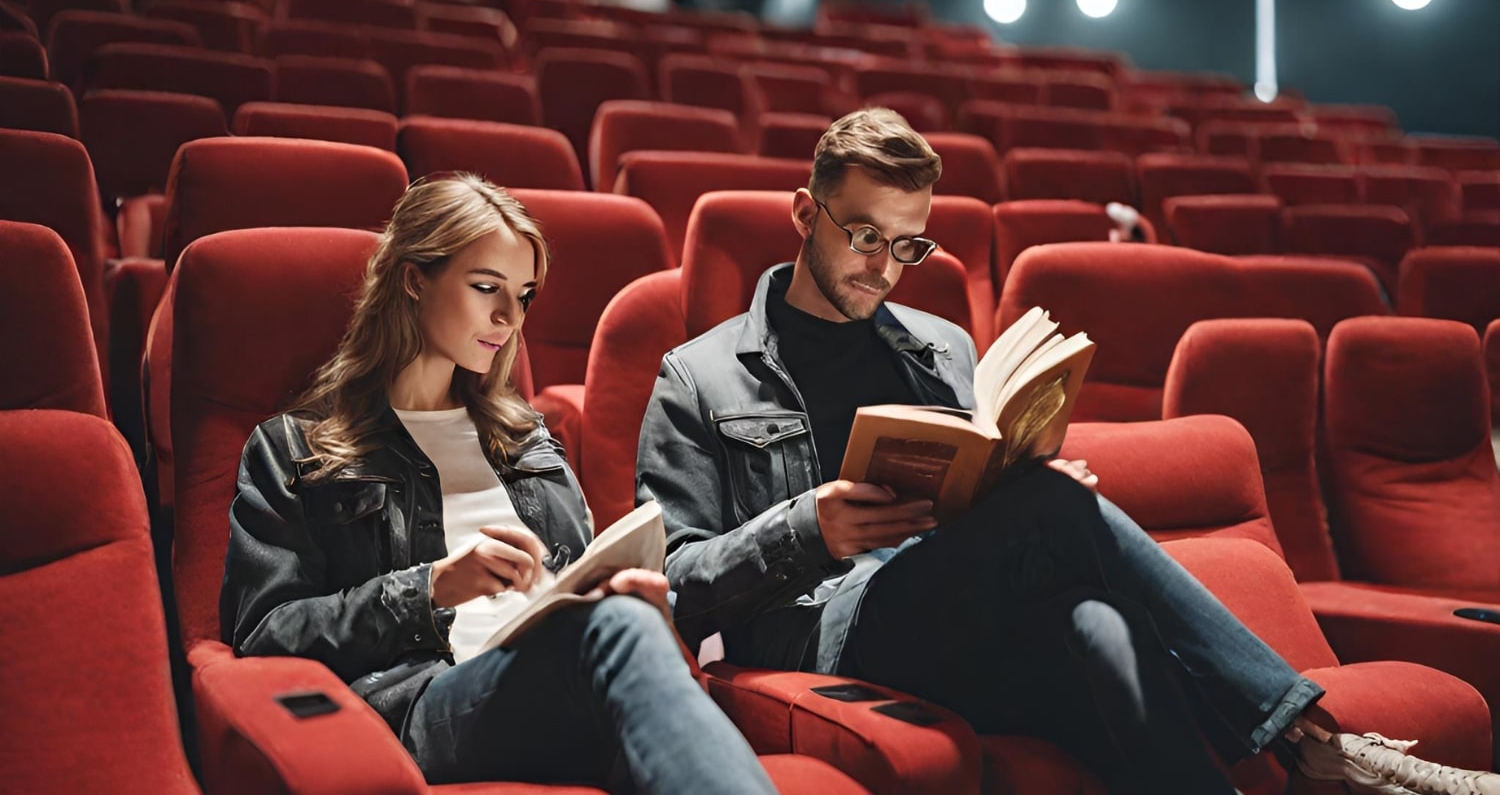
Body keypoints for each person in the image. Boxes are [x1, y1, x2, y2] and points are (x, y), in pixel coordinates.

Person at [636, 108, 1500, 795]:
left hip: (951, 604)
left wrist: (1013, 474)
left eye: (910, 246)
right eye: (864, 237)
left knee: (1099, 620)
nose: (885, 269)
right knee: (1053, 516)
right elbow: (672, 588)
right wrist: (808, 528)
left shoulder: (939, 348)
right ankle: (1304, 729)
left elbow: (966, 485)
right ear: (803, 212)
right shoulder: (700, 374)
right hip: (824, 631)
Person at [221, 174, 777, 794]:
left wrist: (625, 590)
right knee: (622, 638)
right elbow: (263, 633)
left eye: (524, 295)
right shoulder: (296, 446)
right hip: (424, 704)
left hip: (561, 678)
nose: (510, 318)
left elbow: (568, 581)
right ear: (413, 279)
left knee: (629, 623)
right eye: (486, 288)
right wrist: (429, 588)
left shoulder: (527, 437)